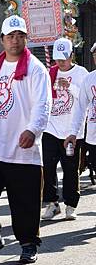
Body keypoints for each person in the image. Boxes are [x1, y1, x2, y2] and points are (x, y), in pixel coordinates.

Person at [0, 15, 51, 264]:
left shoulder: (36, 69)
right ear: (2, 40)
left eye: (20, 36)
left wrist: (33, 130)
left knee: (24, 199)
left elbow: (43, 104)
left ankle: (28, 243)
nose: (15, 41)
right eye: (10, 36)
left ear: (26, 39)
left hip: (21, 145)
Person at [41, 38, 88, 220]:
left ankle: (70, 204)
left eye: (64, 58)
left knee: (70, 169)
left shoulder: (81, 73)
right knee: (48, 167)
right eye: (57, 59)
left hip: (72, 130)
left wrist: (71, 87)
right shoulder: (50, 73)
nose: (60, 62)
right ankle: (52, 204)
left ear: (71, 56)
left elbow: (86, 99)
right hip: (51, 128)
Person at [64, 41, 96, 215]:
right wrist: (73, 133)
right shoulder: (89, 79)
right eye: (95, 54)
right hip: (93, 138)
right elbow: (79, 109)